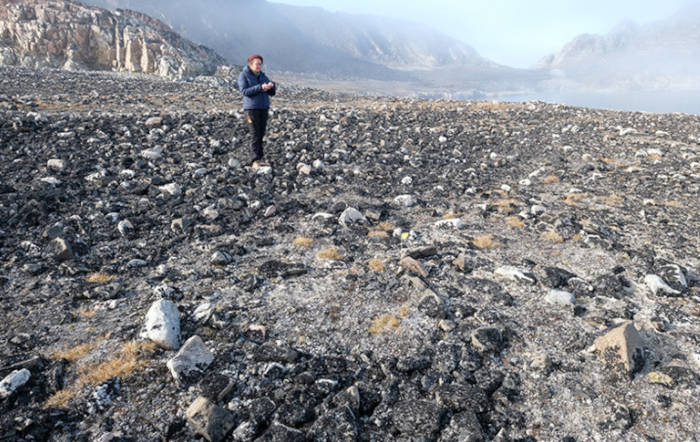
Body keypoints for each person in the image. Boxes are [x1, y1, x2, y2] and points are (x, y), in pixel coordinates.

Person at [237, 54, 276, 167]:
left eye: (260, 64)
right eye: (256, 64)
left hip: (263, 108)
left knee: (261, 133)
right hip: (251, 109)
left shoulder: (263, 76)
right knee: (255, 133)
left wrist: (272, 86)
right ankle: (255, 160)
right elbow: (244, 91)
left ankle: (260, 158)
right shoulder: (244, 75)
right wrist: (260, 87)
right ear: (250, 64)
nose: (259, 66)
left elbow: (272, 93)